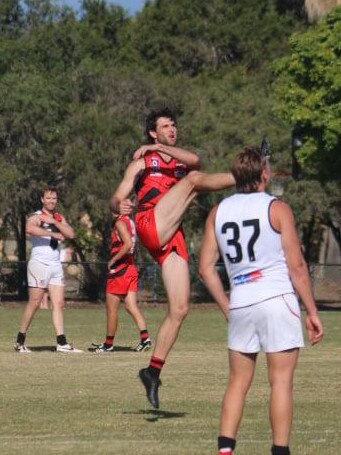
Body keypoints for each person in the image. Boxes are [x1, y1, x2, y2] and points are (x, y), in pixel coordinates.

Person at [199, 145, 323, 455]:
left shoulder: (218, 212)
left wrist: (227, 305)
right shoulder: (277, 208)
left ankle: (225, 450)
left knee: (238, 382)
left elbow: (205, 269)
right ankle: (279, 451)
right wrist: (311, 311)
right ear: (264, 174)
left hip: (241, 301)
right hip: (277, 298)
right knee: (280, 382)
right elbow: (297, 267)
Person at [110, 107, 235, 408]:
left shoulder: (178, 160)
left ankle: (152, 371)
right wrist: (119, 206)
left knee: (179, 309)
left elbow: (195, 159)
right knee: (194, 180)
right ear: (153, 132)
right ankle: (244, 176)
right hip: (150, 222)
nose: (172, 129)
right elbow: (116, 198)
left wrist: (161, 146)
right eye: (165, 126)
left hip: (171, 236)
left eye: (173, 125)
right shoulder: (142, 162)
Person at [14, 186, 82, 353]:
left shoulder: (58, 217)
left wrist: (56, 222)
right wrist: (52, 233)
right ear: (42, 200)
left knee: (59, 303)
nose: (52, 201)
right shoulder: (37, 216)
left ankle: (62, 343)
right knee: (35, 302)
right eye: (48, 198)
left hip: (55, 265)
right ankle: (20, 341)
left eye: (54, 198)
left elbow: (71, 234)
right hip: (39, 264)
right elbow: (29, 228)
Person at [93, 213, 151, 352]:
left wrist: (113, 260)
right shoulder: (129, 221)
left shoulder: (120, 222)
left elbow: (127, 244)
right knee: (131, 306)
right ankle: (145, 338)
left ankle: (108, 344)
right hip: (130, 268)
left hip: (120, 270)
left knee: (111, 309)